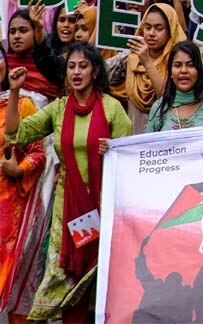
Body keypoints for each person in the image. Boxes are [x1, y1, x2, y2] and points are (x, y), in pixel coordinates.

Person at [5, 42, 132, 321]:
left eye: (83, 66)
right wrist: (14, 91)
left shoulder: (113, 109)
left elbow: (128, 159)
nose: (76, 72)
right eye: (71, 66)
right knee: (64, 284)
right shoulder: (58, 109)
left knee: (97, 290)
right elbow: (16, 133)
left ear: (96, 71)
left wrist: (112, 150)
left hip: (104, 211)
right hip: (66, 214)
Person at [0, 53, 47, 313]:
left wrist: (18, 170)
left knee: (17, 285)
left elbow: (38, 153)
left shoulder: (23, 104)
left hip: (12, 215)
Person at [123, 3, 187, 134]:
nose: (151, 33)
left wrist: (147, 62)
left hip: (167, 139)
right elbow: (96, 71)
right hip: (136, 137)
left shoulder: (180, 61)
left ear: (171, 31)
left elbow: (166, 98)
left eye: (159, 28)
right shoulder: (132, 57)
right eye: (147, 27)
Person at [144, 42, 203, 132]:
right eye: (178, 65)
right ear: (171, 73)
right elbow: (148, 145)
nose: (183, 70)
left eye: (190, 65)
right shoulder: (159, 108)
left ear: (199, 71)